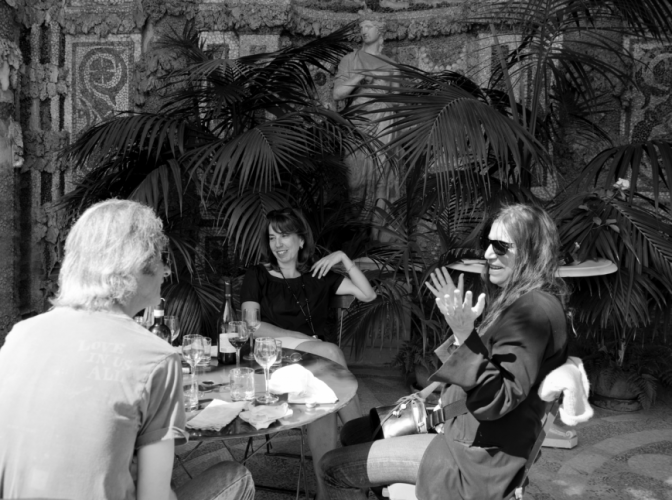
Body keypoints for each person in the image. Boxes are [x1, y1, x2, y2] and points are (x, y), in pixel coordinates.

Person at [0, 199, 254, 500]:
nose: (167, 271)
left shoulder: (20, 336)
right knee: (235, 476)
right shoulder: (156, 358)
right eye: (162, 258)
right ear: (139, 266)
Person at [319, 203, 569, 500]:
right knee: (355, 432)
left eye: (501, 246)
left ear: (530, 250)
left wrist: (465, 334)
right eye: (488, 244)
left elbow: (499, 398)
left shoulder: (534, 312)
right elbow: (484, 362)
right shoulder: (524, 301)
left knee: (331, 466)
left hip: (474, 459)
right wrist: (432, 389)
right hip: (461, 430)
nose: (489, 254)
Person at [240, 206, 377, 500]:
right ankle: (364, 446)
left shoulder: (319, 276)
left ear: (301, 240)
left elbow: (369, 295)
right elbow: (251, 326)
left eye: (285, 235)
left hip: (316, 367)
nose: (278, 243)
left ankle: (326, 490)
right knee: (329, 353)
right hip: (270, 362)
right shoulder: (258, 274)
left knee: (322, 401)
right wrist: (301, 338)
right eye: (272, 236)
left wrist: (342, 258)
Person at [333, 10, 400, 231]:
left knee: (382, 181)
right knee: (354, 182)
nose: (363, 30)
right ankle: (353, 233)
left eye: (369, 26)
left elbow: (397, 104)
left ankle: (376, 237)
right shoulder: (350, 59)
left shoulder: (391, 67)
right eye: (361, 27)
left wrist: (386, 120)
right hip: (356, 129)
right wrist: (359, 75)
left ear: (380, 30)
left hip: (383, 128)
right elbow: (337, 94)